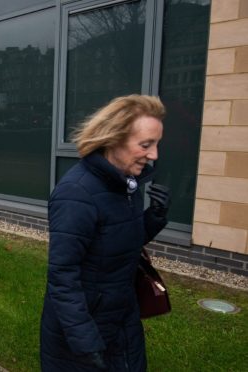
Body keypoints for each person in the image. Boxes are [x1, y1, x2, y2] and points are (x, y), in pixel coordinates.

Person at [40, 95, 171, 371]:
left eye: (156, 144)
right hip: (85, 328)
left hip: (122, 316)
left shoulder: (126, 183)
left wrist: (154, 218)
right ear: (113, 139)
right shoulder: (76, 193)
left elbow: (118, 242)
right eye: (146, 145)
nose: (154, 155)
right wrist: (85, 341)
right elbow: (63, 275)